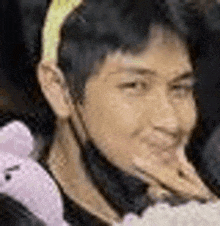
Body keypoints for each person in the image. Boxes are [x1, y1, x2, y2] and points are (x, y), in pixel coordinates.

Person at [36, 0, 218, 225]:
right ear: (59, 90)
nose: (171, 122)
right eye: (135, 86)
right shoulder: (22, 210)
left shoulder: (197, 206)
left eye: (180, 88)